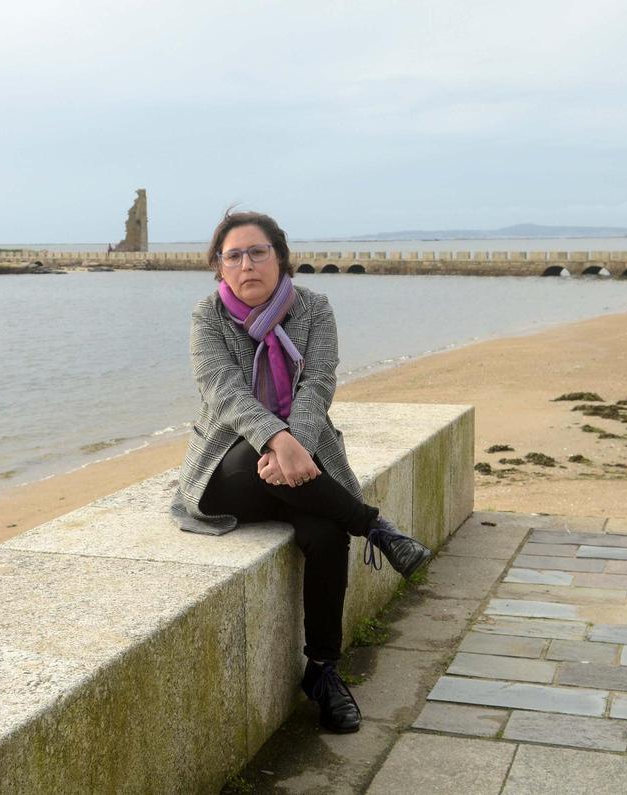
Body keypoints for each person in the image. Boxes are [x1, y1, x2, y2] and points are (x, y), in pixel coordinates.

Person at [171, 210, 433, 734]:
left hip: (303, 457)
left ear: (281, 258)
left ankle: (322, 671)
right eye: (234, 256)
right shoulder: (207, 317)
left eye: (258, 252)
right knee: (255, 462)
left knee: (325, 530)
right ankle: (375, 526)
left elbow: (317, 384)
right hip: (230, 464)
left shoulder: (314, 309)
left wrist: (296, 444)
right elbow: (223, 393)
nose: (247, 264)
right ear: (219, 268)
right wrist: (275, 438)